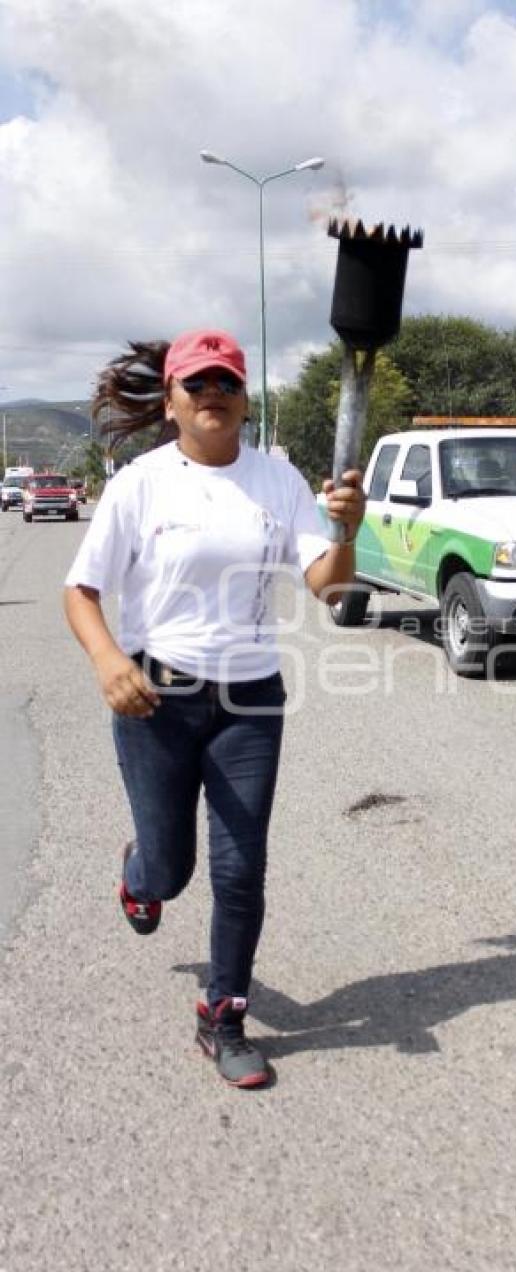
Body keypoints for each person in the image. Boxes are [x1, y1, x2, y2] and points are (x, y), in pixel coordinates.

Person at [63, 329, 365, 1089]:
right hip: (155, 696)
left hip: (249, 700)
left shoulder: (278, 480)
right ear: (170, 401)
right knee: (172, 871)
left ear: (244, 397)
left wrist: (348, 528)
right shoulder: (140, 483)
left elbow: (328, 587)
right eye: (196, 384)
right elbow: (82, 591)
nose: (213, 395)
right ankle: (139, 875)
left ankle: (223, 1014)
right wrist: (108, 660)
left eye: (226, 382)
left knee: (240, 870)